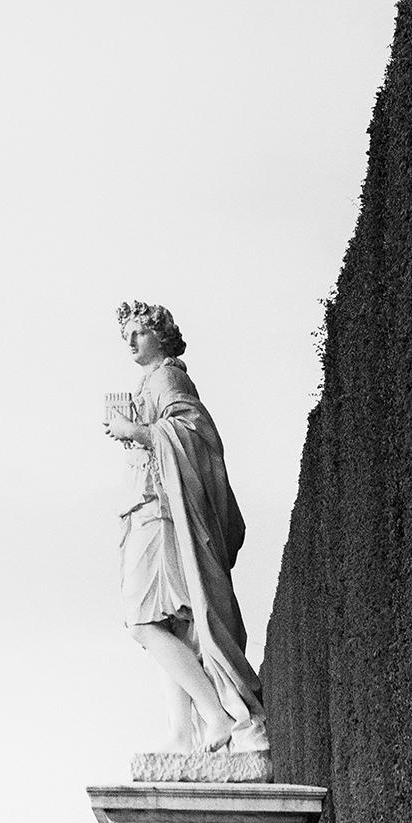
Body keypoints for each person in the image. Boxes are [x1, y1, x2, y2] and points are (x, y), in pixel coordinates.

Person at [105, 299, 269, 755]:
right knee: (168, 625)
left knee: (143, 622)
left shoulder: (168, 376)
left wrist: (136, 432)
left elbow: (195, 432)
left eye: (139, 333)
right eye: (127, 338)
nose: (132, 344)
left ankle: (215, 715)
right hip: (148, 510)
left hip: (161, 515)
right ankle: (183, 732)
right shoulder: (148, 383)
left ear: (161, 333)